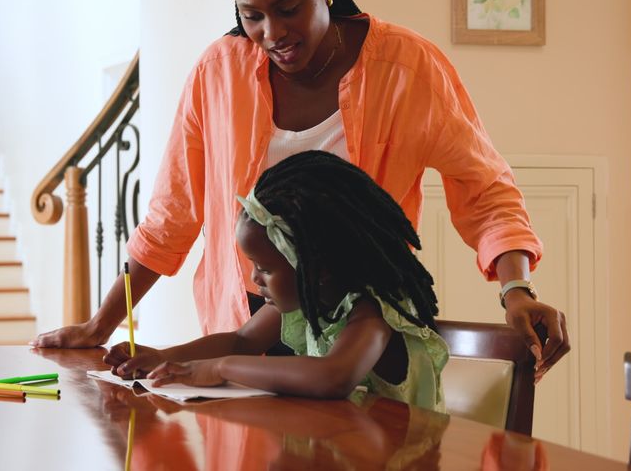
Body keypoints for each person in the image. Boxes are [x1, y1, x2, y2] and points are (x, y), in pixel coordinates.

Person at [34, 0, 570, 380]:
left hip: (358, 318)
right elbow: (172, 215)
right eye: (252, 15)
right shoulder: (218, 72)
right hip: (249, 317)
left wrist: (515, 290)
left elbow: (484, 188)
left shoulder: (408, 69)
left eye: (289, 7)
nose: (272, 32)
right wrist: (100, 325)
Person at [105, 151, 449, 411]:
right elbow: (241, 341)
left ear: (317, 266)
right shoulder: (309, 297)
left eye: (265, 268)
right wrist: (164, 358)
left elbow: (333, 377)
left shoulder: (372, 315)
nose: (255, 279)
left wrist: (219, 369)